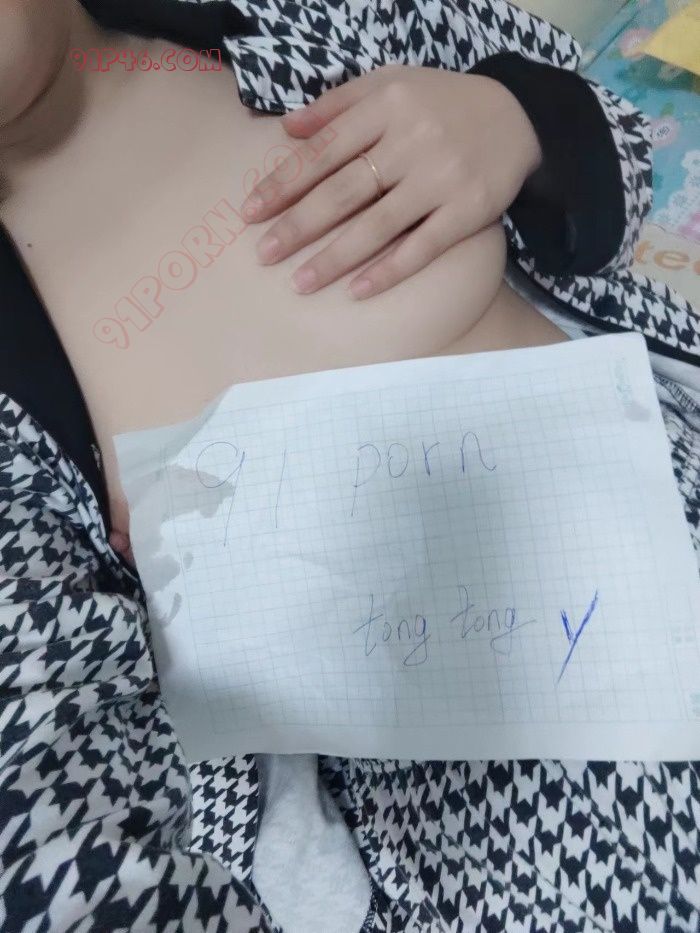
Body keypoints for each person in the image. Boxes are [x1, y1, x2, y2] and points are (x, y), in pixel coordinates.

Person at [0, 0, 697, 930]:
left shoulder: (300, 17)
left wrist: (520, 120)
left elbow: (621, 142)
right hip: (539, 826)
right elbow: (71, 841)